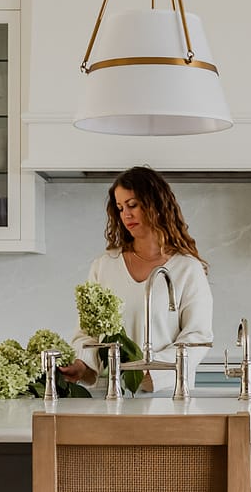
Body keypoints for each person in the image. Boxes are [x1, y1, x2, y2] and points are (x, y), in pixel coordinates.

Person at [62, 167, 214, 394]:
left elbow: (197, 337)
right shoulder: (104, 266)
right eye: (120, 207)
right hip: (110, 396)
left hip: (169, 396)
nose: (126, 215)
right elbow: (87, 333)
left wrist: (150, 372)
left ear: (156, 204)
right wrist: (81, 365)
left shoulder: (187, 268)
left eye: (132, 205)